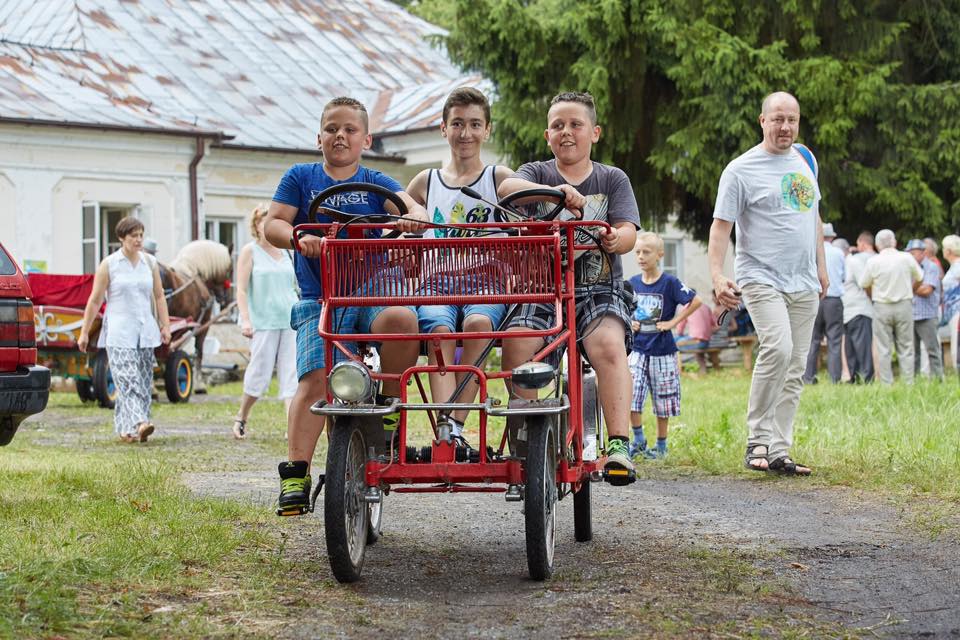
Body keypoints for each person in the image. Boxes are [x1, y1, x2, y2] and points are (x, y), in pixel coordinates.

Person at [263, 96, 428, 516]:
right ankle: (297, 472)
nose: (340, 136)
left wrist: (411, 218)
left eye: (349, 130)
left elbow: (414, 209)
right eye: (332, 129)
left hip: (370, 292)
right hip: (323, 297)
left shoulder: (376, 179)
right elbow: (274, 223)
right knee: (315, 379)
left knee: (403, 320)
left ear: (365, 138)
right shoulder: (300, 177)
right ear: (318, 137)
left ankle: (389, 418)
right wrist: (301, 238)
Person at [404, 87, 584, 443]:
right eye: (457, 124)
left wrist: (560, 190)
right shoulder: (426, 181)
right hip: (437, 281)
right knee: (439, 336)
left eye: (474, 124)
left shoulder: (495, 176)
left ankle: (455, 423)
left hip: (487, 280)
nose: (465, 133)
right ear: (444, 128)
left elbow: (519, 188)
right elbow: (401, 215)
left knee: (478, 324)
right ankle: (445, 431)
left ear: (487, 130)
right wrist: (407, 221)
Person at [498, 91, 640, 481]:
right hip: (541, 288)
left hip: (597, 288)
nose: (566, 132)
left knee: (608, 345)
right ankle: (525, 439)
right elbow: (507, 189)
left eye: (575, 124)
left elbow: (628, 230)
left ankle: (619, 445)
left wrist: (616, 239)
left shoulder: (611, 178)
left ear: (594, 132)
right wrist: (555, 193)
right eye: (558, 125)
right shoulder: (536, 173)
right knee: (518, 343)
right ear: (548, 135)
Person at [708, 91, 827, 476]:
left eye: (791, 119)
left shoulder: (805, 161)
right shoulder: (741, 169)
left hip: (805, 281)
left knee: (795, 365)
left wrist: (822, 269)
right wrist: (716, 275)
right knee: (778, 347)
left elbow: (814, 218)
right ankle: (756, 439)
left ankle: (779, 450)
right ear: (762, 121)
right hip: (761, 277)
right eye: (777, 119)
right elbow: (721, 227)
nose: (785, 126)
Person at [77, 217, 171, 443]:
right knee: (127, 379)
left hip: (145, 331)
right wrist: (84, 331)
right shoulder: (109, 264)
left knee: (142, 379)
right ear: (121, 238)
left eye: (141, 235)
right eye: (133, 236)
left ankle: (126, 430)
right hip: (119, 332)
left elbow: (159, 296)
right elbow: (94, 300)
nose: (138, 240)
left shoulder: (150, 263)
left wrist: (165, 325)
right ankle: (141, 422)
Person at [627, 232, 700, 459]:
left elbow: (695, 301)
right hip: (637, 350)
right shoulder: (632, 284)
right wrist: (630, 322)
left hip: (663, 351)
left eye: (646, 252)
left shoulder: (670, 283)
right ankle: (638, 440)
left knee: (663, 399)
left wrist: (672, 322)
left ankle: (661, 446)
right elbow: (624, 308)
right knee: (632, 395)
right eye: (637, 252)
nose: (641, 256)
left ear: (660, 255)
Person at [231, 204, 299, 439]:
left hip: (290, 319)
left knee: (292, 374)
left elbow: (295, 286)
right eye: (261, 220)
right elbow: (240, 290)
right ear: (256, 225)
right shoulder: (250, 251)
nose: (265, 224)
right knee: (258, 373)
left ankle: (293, 426)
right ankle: (242, 416)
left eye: (268, 219)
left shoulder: (288, 251)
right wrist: (246, 320)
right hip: (263, 321)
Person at [858, 229, 922, 384]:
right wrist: (911, 290)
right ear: (894, 242)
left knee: (883, 347)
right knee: (906, 345)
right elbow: (920, 277)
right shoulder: (906, 258)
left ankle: (887, 383)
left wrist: (872, 295)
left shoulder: (873, 261)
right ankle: (908, 382)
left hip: (881, 306)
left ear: (878, 245)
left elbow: (863, 284)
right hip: (904, 305)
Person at [803, 222, 845, 384]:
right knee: (834, 339)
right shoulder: (838, 253)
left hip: (815, 297)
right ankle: (835, 378)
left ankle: (808, 376)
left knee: (813, 339)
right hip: (834, 299)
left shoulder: (811, 251)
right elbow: (843, 276)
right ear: (832, 237)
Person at [906, 238, 943, 380]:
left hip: (927, 315)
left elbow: (927, 290)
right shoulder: (909, 268)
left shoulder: (932, 267)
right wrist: (916, 288)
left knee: (932, 350)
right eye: (909, 253)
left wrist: (909, 288)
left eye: (913, 253)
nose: (911, 256)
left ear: (923, 253)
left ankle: (938, 380)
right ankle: (914, 381)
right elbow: (921, 288)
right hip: (911, 314)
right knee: (913, 353)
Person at [842, 231, 876, 383]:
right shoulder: (847, 261)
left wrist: (872, 300)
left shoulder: (854, 262)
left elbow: (864, 283)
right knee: (851, 347)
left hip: (860, 309)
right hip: (848, 310)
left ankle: (868, 378)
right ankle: (854, 377)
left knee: (862, 347)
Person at [675, 296, 719, 373]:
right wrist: (705, 332)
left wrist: (681, 335)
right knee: (689, 341)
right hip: (706, 342)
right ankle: (703, 370)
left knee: (673, 342)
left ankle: (677, 371)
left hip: (696, 342)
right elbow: (716, 325)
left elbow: (679, 328)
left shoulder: (687, 307)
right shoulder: (706, 307)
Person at [941, 235, 960, 372]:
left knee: (957, 345)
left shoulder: (958, 267)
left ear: (949, 251)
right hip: (952, 311)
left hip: (957, 310)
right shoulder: (954, 267)